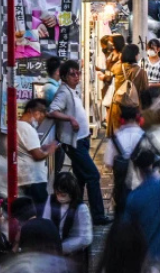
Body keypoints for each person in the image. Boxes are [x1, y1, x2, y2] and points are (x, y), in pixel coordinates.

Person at [49, 60, 112, 226]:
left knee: (81, 179)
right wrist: (70, 118)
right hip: (74, 144)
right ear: (63, 77)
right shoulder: (64, 92)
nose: (76, 77)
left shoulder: (72, 90)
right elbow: (52, 111)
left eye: (78, 73)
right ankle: (98, 215)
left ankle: (73, 212)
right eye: (72, 74)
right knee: (93, 175)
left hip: (81, 141)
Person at [42, 172, 93, 262]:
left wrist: (62, 248)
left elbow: (85, 238)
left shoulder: (81, 207)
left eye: (63, 195)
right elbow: (45, 223)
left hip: (73, 254)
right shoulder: (50, 200)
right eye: (58, 193)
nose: (60, 197)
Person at [17, 98, 58, 210]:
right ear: (30, 111)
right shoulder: (27, 129)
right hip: (34, 178)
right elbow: (37, 155)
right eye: (39, 112)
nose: (41, 116)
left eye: (43, 113)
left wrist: (43, 148)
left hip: (26, 176)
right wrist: (50, 150)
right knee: (41, 210)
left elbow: (29, 149)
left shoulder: (19, 126)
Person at [105, 105, 146, 214]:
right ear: (138, 119)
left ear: (121, 120)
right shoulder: (144, 136)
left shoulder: (115, 138)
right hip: (141, 185)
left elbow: (108, 164)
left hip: (121, 186)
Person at [108, 44, 149, 133]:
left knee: (118, 136)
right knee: (133, 134)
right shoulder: (142, 73)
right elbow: (145, 91)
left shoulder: (116, 68)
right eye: (138, 53)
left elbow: (108, 77)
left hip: (118, 106)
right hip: (134, 107)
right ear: (134, 55)